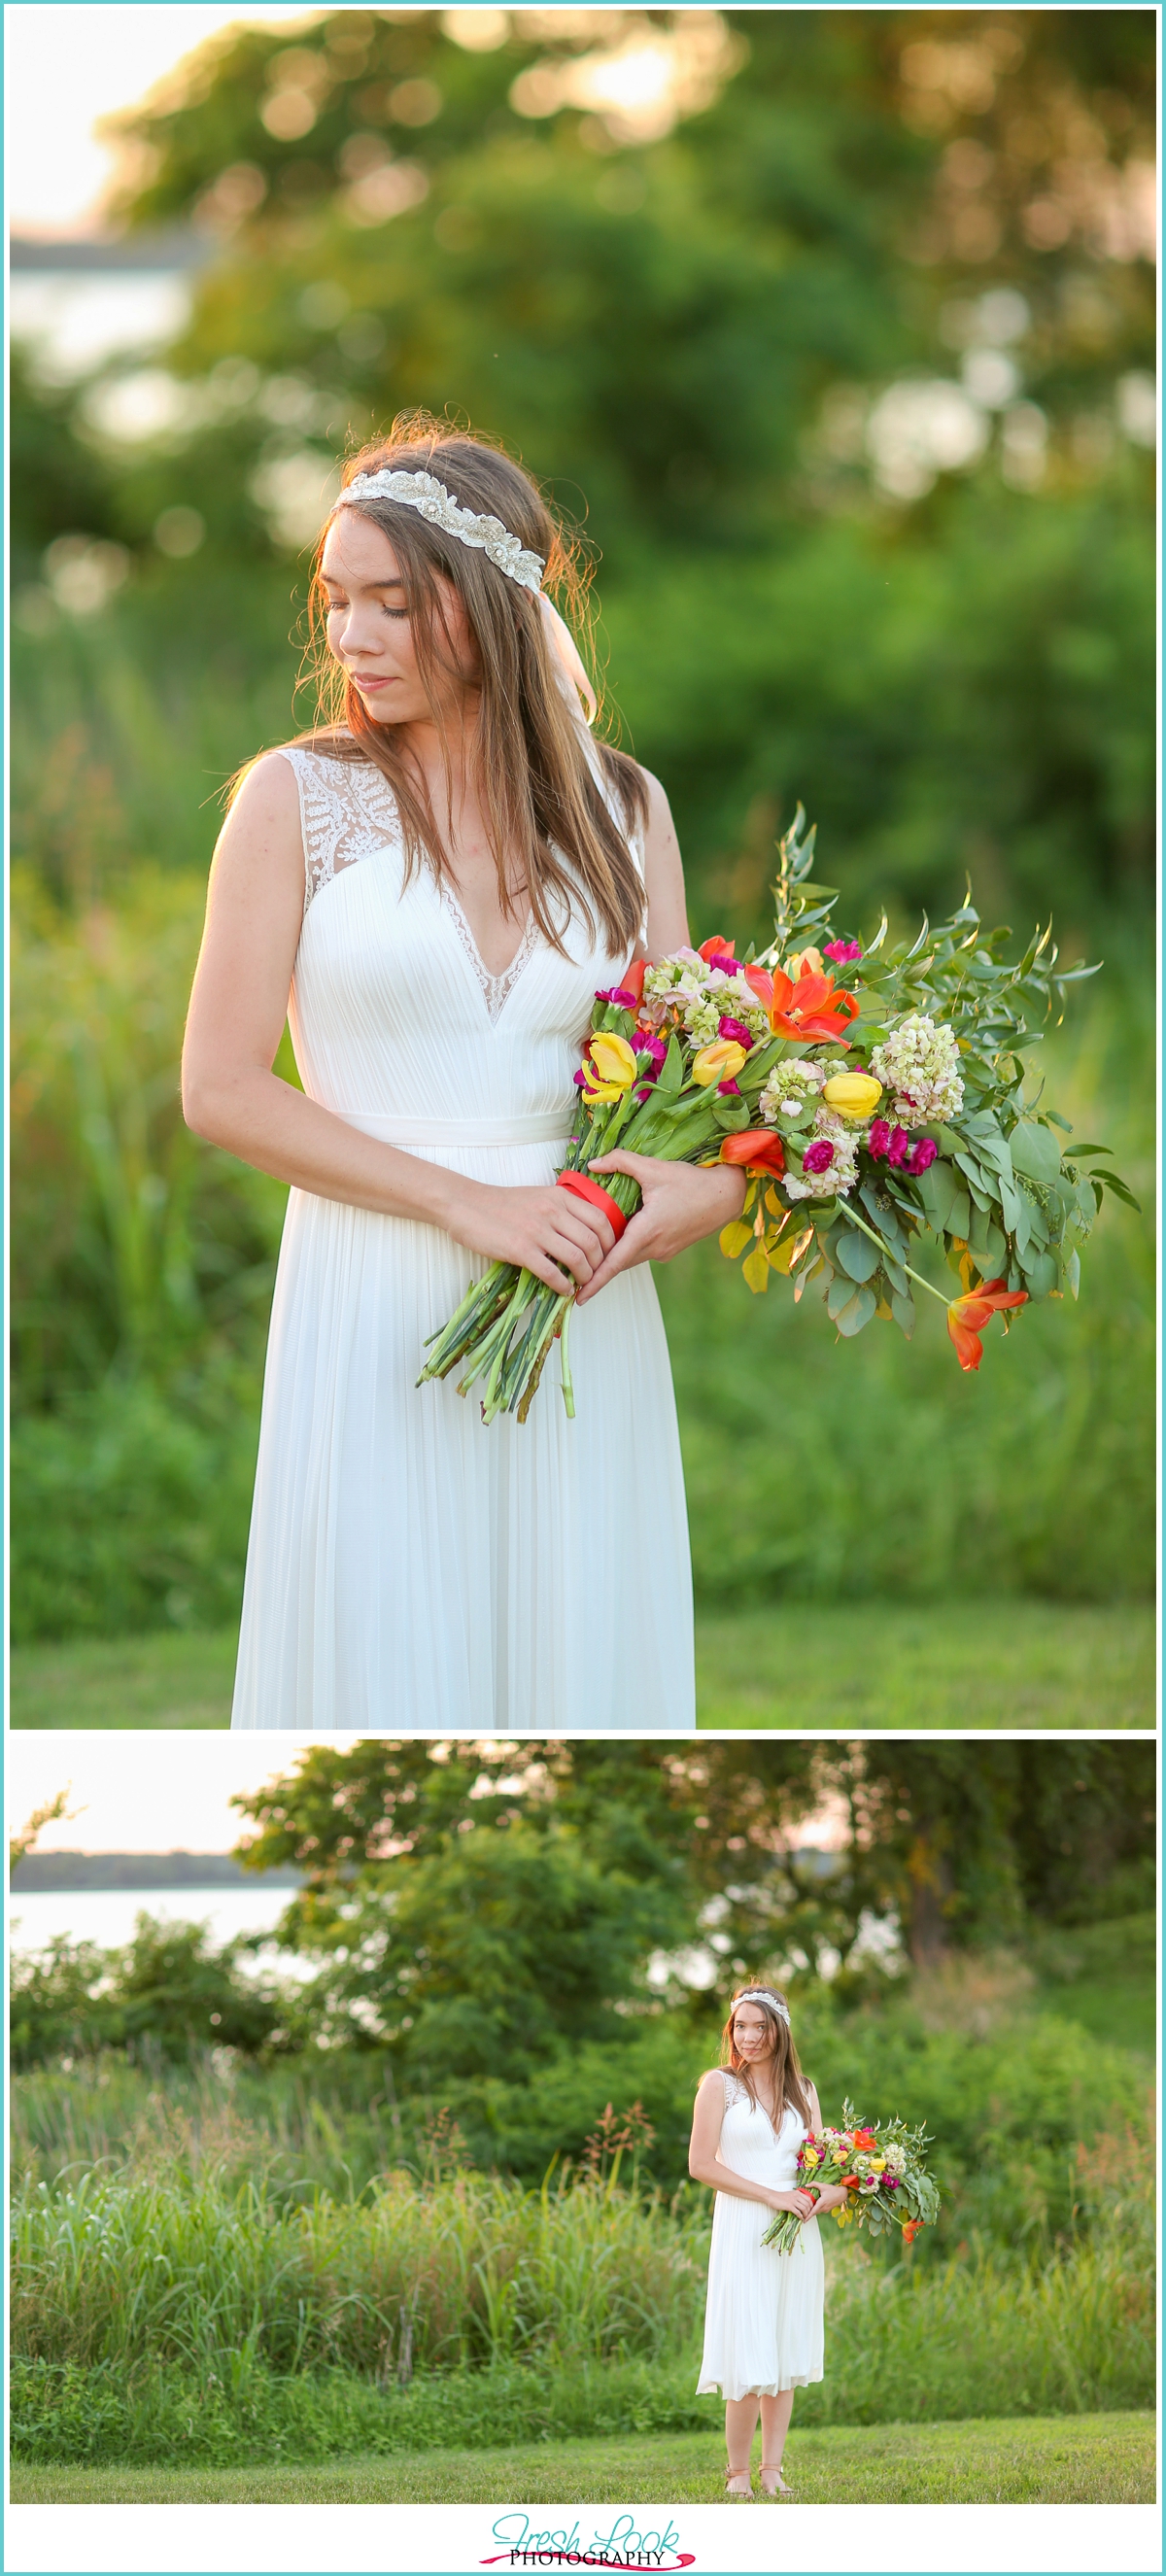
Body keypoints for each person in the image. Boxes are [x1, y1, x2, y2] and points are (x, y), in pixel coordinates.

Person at [182, 414, 746, 1728]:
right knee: (384, 1654)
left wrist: (701, 1197)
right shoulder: (293, 798)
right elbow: (223, 1088)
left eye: (393, 601)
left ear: (491, 604)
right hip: (373, 1295)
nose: (351, 640)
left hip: (578, 1296)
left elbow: (699, 1092)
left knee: (574, 1665)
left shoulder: (628, 807)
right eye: (336, 603)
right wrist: (465, 1201)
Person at [689, 1986, 848, 2498]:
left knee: (783, 2350)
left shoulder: (805, 2090)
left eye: (760, 2027)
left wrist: (828, 2193)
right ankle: (737, 2473)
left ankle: (772, 2468)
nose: (749, 2037)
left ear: (780, 2031)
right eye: (740, 2026)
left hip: (796, 2237)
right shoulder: (719, 2086)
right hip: (744, 2228)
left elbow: (826, 2169)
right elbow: (701, 2165)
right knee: (749, 2348)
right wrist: (774, 2197)